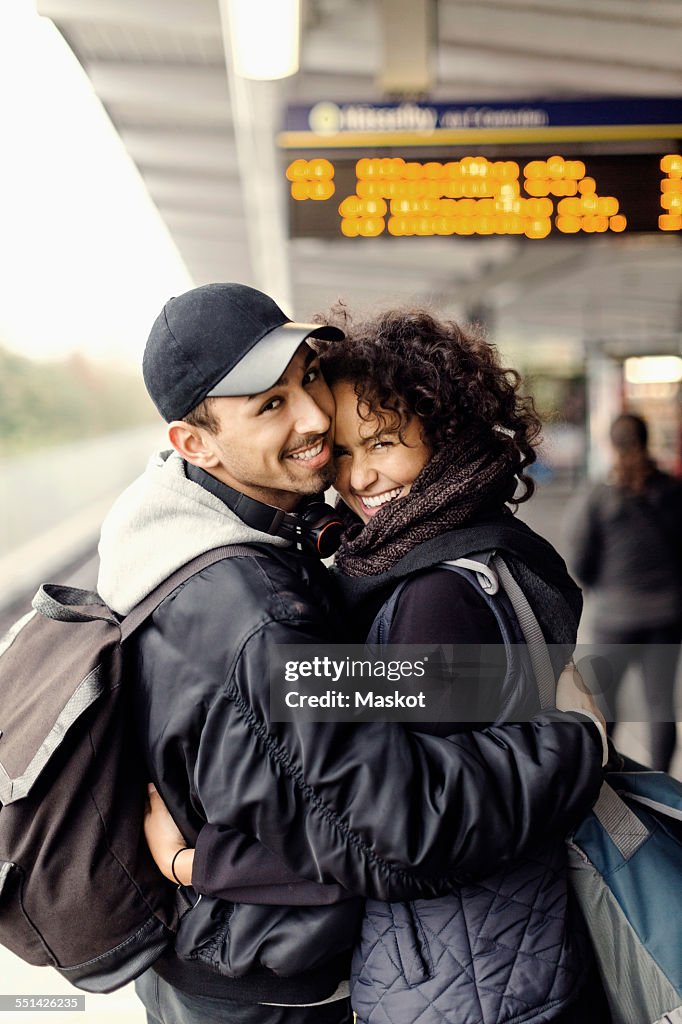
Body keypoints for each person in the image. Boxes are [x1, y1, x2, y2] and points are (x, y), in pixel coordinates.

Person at [136, 295, 609, 1024]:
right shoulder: (472, 548)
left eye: (382, 443)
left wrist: (194, 864)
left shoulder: (432, 596)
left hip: (463, 971)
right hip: (480, 957)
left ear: (444, 437)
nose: (348, 468)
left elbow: (403, 830)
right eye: (272, 404)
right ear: (192, 445)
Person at [566, 412, 682, 771]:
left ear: (611, 444)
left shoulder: (600, 496)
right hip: (667, 614)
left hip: (616, 616)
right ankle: (663, 788)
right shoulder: (674, 491)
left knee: (604, 704)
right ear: (647, 440)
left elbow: (580, 558)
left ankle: (606, 780)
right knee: (661, 704)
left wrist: (603, 586)